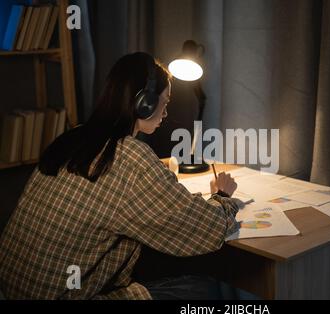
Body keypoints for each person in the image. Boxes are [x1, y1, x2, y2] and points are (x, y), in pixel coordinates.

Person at [0, 52, 244, 300]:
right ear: (144, 103)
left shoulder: (76, 137)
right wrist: (222, 196)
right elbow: (204, 229)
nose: (166, 113)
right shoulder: (131, 157)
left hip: (11, 289)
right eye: (165, 102)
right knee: (202, 288)